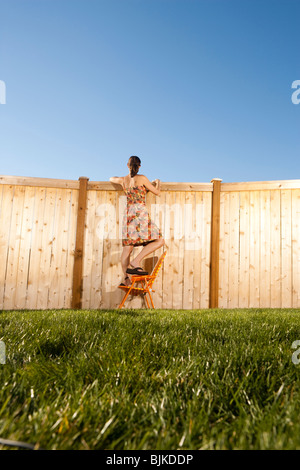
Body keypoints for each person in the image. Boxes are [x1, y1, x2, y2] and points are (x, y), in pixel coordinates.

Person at [110, 156, 165, 286]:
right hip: (140, 213)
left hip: (129, 214)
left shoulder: (123, 180)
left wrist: (122, 177)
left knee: (127, 248)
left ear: (127, 165)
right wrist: (158, 183)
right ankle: (136, 262)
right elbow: (157, 192)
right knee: (160, 240)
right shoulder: (143, 178)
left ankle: (126, 279)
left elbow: (111, 178)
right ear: (139, 166)